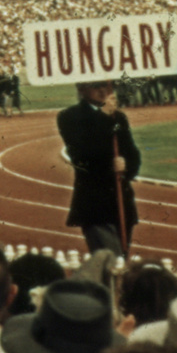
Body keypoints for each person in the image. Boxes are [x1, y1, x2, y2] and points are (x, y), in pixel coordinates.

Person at [57, 80, 141, 257]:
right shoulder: (69, 117)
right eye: (96, 86)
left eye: (106, 85)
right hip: (95, 204)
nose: (103, 90)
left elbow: (132, 152)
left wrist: (127, 165)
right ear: (81, 89)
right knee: (111, 261)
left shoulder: (118, 117)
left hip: (121, 201)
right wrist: (102, 117)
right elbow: (81, 157)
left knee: (121, 260)